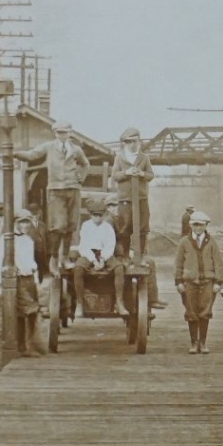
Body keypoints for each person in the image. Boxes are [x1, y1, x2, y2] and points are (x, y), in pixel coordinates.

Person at [14, 121, 89, 266]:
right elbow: (31, 155)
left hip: (73, 189)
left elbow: (85, 164)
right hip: (56, 190)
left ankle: (65, 258)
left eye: (64, 132)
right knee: (59, 225)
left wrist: (81, 178)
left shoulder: (76, 150)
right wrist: (14, 153)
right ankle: (54, 258)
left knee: (71, 225)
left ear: (69, 133)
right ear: (55, 133)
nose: (62, 135)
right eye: (59, 133)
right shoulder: (49, 147)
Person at [0, 209, 44, 356]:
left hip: (29, 279)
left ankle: (26, 346)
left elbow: (32, 263)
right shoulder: (7, 240)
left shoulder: (28, 240)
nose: (25, 225)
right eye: (22, 222)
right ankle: (26, 346)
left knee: (25, 313)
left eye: (27, 222)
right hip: (18, 280)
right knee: (30, 309)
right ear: (15, 223)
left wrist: (36, 281)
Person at [175, 210, 223, 354]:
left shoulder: (211, 241)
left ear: (206, 225)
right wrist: (178, 281)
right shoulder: (184, 242)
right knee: (191, 310)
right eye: (195, 225)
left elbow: (218, 262)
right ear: (190, 225)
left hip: (207, 282)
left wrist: (218, 282)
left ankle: (203, 343)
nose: (198, 228)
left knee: (205, 311)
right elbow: (178, 263)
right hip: (189, 282)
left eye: (201, 225)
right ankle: (193, 343)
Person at [108, 127, 155, 259]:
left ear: (139, 141)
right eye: (129, 142)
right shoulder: (119, 158)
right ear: (124, 143)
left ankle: (140, 256)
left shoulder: (144, 158)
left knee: (143, 228)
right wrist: (126, 173)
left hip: (141, 198)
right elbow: (115, 176)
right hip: (125, 198)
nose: (132, 144)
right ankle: (125, 257)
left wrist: (141, 173)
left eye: (135, 141)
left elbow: (151, 175)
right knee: (125, 228)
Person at [72, 199, 120, 315]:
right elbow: (84, 246)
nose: (97, 218)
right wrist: (94, 260)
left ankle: (119, 301)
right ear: (90, 215)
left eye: (100, 215)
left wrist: (102, 259)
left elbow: (110, 245)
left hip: (104, 253)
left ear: (104, 215)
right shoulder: (86, 226)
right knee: (78, 268)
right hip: (89, 254)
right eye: (95, 215)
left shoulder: (108, 227)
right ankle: (79, 303)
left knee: (119, 268)